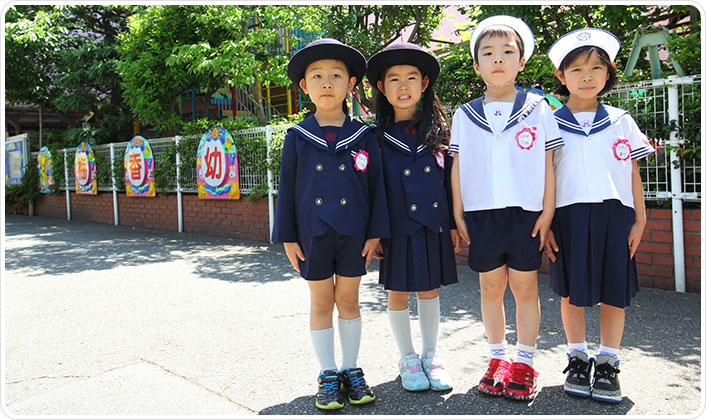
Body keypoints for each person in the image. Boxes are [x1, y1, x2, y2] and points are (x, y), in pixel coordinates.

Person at [271, 38, 390, 410]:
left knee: (350, 300)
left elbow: (377, 188)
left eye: (336, 75)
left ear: (350, 85)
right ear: (304, 86)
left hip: (353, 232)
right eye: (317, 76)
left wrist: (374, 233)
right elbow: (286, 189)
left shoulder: (364, 135)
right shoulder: (297, 136)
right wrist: (288, 237)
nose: (327, 82)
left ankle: (351, 368)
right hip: (312, 232)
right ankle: (327, 373)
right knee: (321, 302)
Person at [449, 15, 563, 401]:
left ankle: (525, 361)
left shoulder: (538, 108)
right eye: (488, 53)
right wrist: (458, 214)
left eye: (507, 52)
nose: (498, 59)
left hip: (526, 214)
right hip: (482, 214)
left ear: (522, 62)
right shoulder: (464, 115)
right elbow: (458, 166)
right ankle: (498, 358)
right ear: (477, 65)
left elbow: (549, 164)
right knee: (490, 287)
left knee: (525, 288)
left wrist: (547, 213)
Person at [546, 28, 654, 403]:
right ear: (561, 77)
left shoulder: (621, 119)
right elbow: (544, 177)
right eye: (577, 69)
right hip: (567, 217)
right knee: (572, 291)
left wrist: (640, 219)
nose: (587, 76)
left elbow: (633, 172)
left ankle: (608, 362)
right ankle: (577, 355)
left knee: (614, 292)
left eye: (596, 68)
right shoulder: (550, 122)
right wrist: (545, 223)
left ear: (608, 74)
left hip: (615, 215)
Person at [366, 42, 461, 393]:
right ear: (381, 87)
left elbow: (450, 182)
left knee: (429, 288)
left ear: (424, 84)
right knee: (398, 292)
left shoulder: (439, 133)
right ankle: (407, 357)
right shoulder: (373, 138)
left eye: (411, 78)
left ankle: (432, 355)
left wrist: (452, 222)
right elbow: (371, 190)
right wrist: (374, 232)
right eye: (394, 79)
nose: (403, 86)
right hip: (396, 228)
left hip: (432, 224)